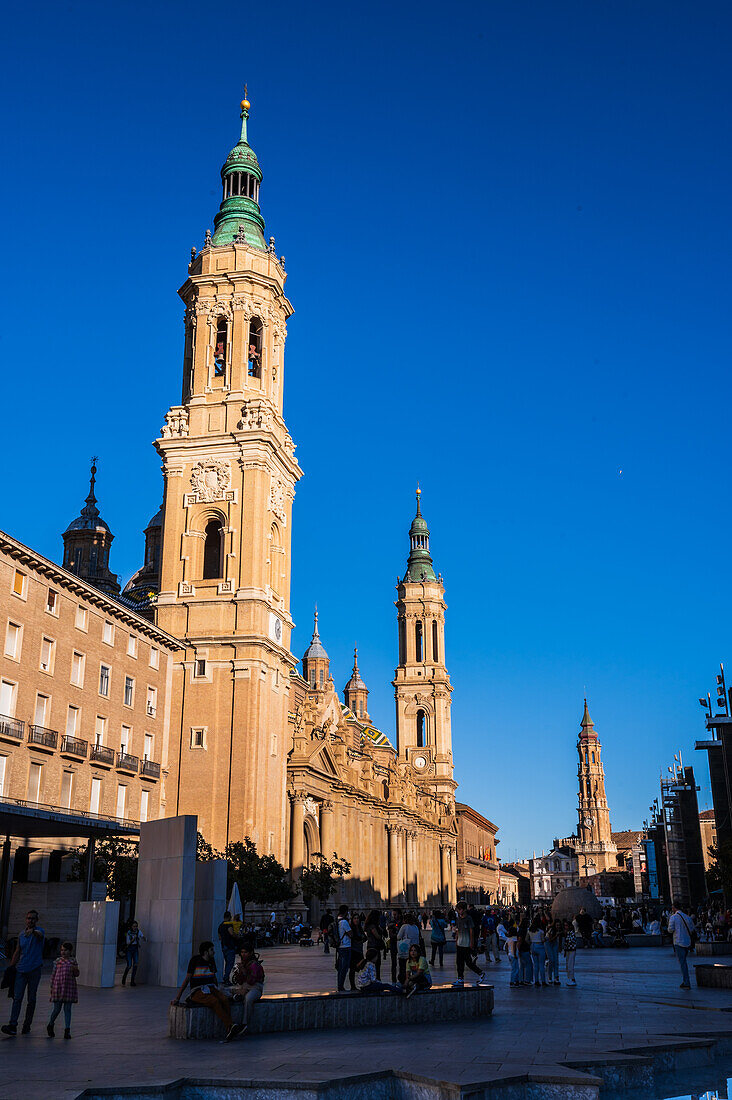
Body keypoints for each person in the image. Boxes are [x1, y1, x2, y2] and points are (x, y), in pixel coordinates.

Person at [171, 941, 243, 1042]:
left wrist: (218, 991)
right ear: (205, 952)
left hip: (211, 988)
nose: (214, 952)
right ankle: (230, 1025)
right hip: (198, 990)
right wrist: (177, 998)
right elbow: (187, 979)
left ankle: (229, 1028)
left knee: (224, 999)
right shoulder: (195, 960)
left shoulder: (211, 961)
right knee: (214, 1001)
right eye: (211, 950)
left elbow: (213, 977)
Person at [2, 909, 46, 1036]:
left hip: (34, 970)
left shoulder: (39, 931)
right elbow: (17, 951)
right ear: (25, 919)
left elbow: (39, 935)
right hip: (21, 970)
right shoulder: (21, 935)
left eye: (33, 918)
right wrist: (11, 967)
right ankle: (13, 1025)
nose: (30, 920)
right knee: (17, 998)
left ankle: (27, 1024)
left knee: (31, 999)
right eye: (28, 918)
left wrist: (32, 931)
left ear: (36, 920)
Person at [229, 942, 265, 1033]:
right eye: (242, 952)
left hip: (255, 988)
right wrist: (238, 974)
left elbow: (251, 981)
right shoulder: (243, 963)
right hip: (245, 987)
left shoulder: (254, 965)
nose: (243, 954)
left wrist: (244, 971)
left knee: (248, 999)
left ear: (250, 953)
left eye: (245, 952)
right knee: (227, 991)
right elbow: (240, 981)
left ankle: (245, 1023)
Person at [47, 941, 79, 1039]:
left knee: (67, 1009)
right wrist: (52, 987)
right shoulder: (57, 961)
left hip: (69, 988)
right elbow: (53, 975)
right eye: (62, 950)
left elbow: (77, 974)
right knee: (56, 1009)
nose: (63, 952)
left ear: (70, 951)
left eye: (65, 950)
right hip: (58, 988)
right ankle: (51, 1024)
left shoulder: (73, 961)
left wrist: (75, 969)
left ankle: (67, 1030)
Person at [453, 901, 488, 987]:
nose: (458, 911)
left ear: (464, 910)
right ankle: (460, 978)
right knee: (459, 962)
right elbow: (457, 930)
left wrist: (471, 942)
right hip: (460, 943)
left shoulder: (468, 919)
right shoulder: (458, 919)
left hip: (466, 943)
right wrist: (456, 940)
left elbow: (471, 931)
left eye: (459, 909)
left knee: (468, 962)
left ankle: (480, 973)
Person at [668, 903, 695, 989]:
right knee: (684, 962)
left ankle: (686, 982)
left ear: (674, 907)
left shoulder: (673, 917)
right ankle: (686, 981)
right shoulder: (687, 917)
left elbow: (670, 929)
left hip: (678, 942)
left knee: (683, 962)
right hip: (687, 942)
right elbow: (692, 929)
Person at [396, 912, 422, 985]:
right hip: (415, 951)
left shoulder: (404, 926)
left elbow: (398, 937)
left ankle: (403, 981)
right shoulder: (416, 927)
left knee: (403, 967)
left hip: (406, 951)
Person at [122, 920, 146, 986]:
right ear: (131, 927)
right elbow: (128, 943)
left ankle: (132, 981)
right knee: (129, 965)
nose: (135, 927)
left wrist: (144, 938)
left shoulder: (138, 931)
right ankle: (124, 978)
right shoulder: (129, 933)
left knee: (136, 964)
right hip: (129, 949)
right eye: (134, 926)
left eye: (136, 926)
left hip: (135, 949)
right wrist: (133, 939)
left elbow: (142, 936)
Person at [364, 910, 386, 980]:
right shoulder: (373, 926)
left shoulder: (368, 926)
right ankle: (376, 979)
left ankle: (372, 978)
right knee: (376, 965)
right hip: (374, 947)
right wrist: (382, 934)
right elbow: (377, 936)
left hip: (370, 945)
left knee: (371, 965)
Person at [335, 905, 351, 992]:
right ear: (346, 912)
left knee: (340, 968)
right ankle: (341, 986)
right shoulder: (344, 922)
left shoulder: (337, 920)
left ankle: (339, 985)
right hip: (345, 946)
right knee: (344, 968)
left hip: (340, 946)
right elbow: (350, 934)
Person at [348, 912, 366, 991]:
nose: (356, 920)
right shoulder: (351, 928)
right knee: (352, 969)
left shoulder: (360, 928)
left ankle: (362, 983)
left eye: (357, 918)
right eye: (355, 918)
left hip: (359, 950)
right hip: (353, 951)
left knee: (362, 967)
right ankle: (353, 985)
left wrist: (361, 939)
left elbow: (365, 937)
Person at [528, 916, 547, 987]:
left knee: (535, 965)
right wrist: (546, 938)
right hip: (540, 946)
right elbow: (543, 940)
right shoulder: (541, 931)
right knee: (541, 965)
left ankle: (536, 981)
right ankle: (543, 981)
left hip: (533, 946)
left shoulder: (529, 931)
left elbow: (527, 939)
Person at [545, 919, 562, 985]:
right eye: (557, 925)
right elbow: (550, 939)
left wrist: (560, 947)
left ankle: (556, 977)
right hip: (548, 942)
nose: (558, 926)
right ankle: (549, 977)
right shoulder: (551, 930)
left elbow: (560, 939)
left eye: (559, 925)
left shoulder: (559, 930)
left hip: (554, 942)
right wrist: (556, 935)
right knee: (551, 960)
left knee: (556, 960)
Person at [517, 917, 533, 986]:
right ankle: (527, 980)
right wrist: (518, 949)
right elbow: (520, 940)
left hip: (522, 949)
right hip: (524, 949)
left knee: (522, 965)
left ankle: (521, 979)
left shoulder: (521, 930)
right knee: (528, 964)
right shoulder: (523, 930)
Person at [505, 921, 520, 986]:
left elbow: (506, 946)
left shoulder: (508, 938)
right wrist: (514, 954)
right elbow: (514, 946)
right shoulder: (514, 938)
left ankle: (516, 980)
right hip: (514, 955)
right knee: (515, 969)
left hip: (510, 954)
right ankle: (513, 981)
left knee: (514, 968)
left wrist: (508, 953)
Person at [563, 919, 577, 986]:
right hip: (568, 950)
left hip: (571, 950)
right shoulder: (568, 933)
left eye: (566, 926)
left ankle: (572, 979)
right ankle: (570, 978)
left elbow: (570, 941)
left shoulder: (571, 933)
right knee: (568, 965)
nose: (565, 927)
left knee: (570, 965)